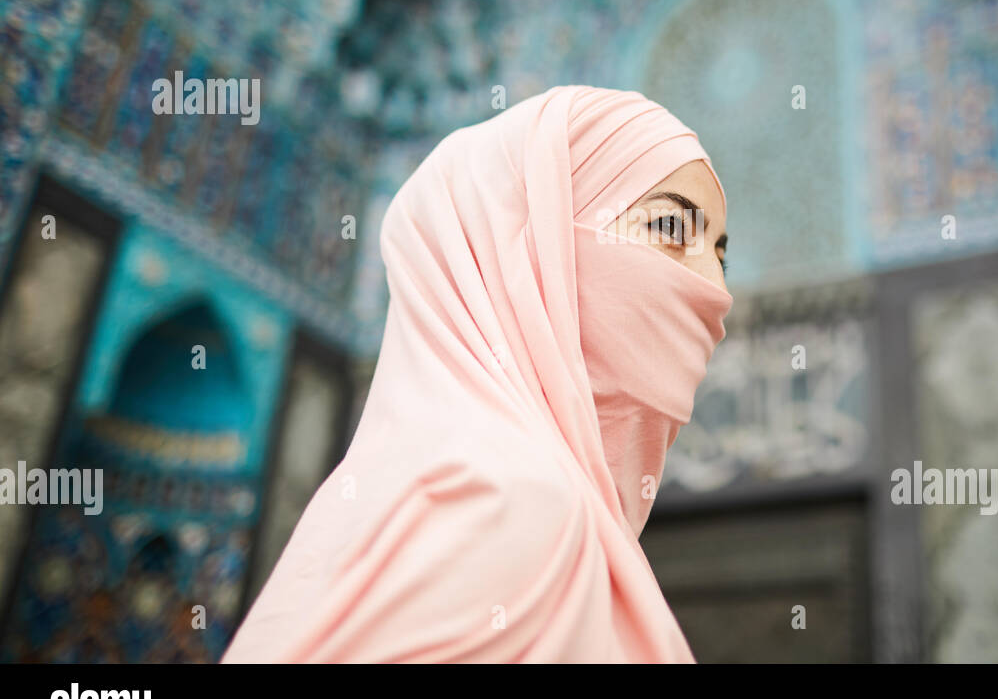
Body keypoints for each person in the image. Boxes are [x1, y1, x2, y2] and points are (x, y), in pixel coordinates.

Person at [221, 85, 731, 663]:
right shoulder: (513, 503)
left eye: (720, 252)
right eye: (668, 227)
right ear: (532, 247)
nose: (715, 289)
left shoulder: (422, 494)